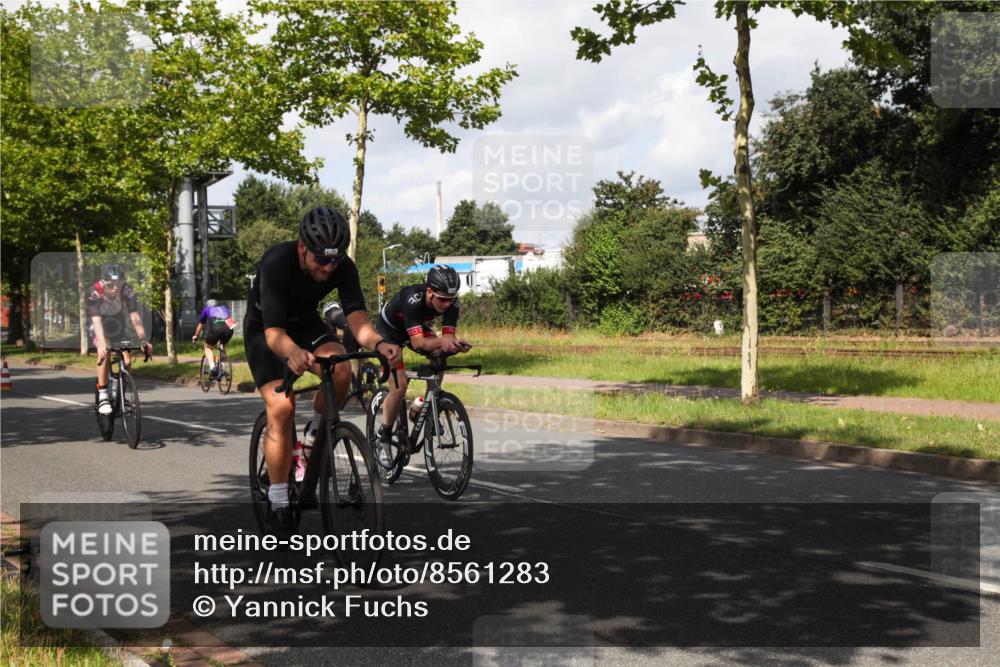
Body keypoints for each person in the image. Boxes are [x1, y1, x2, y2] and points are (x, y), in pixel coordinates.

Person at [244, 206, 401, 536]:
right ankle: (278, 501)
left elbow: (357, 320)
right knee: (282, 407)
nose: (328, 268)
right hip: (267, 331)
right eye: (321, 260)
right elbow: (274, 334)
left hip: (304, 324)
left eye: (335, 260)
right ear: (302, 247)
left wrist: (379, 343)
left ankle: (313, 438)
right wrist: (293, 353)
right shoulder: (276, 262)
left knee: (341, 368)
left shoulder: (342, 267)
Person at [373, 265, 471, 469]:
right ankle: (384, 436)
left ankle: (427, 406)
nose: (447, 304)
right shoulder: (413, 300)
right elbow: (418, 344)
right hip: (389, 332)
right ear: (429, 292)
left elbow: (447, 338)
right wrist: (443, 341)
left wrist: (453, 345)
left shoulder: (451, 303)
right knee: (399, 386)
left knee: (440, 356)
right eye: (442, 299)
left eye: (451, 299)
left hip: (413, 328)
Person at [87, 263, 152, 415]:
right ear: (104, 283)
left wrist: (143, 339)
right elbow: (96, 320)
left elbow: (134, 315)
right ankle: (103, 395)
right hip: (98, 323)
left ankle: (120, 394)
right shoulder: (94, 292)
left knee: (127, 359)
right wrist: (101, 344)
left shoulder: (127, 290)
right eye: (111, 285)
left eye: (118, 284)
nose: (115, 288)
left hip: (117, 323)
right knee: (105, 353)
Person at [192, 299, 235, 377]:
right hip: (230, 328)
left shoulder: (206, 309)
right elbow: (228, 319)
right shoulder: (224, 307)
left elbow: (201, 325)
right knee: (221, 345)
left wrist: (196, 335)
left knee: (207, 346)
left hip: (217, 328)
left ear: (207, 305)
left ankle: (212, 368)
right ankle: (222, 366)